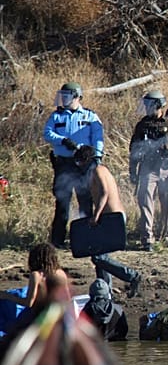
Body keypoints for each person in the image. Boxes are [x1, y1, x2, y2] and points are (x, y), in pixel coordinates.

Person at [42, 82, 104, 248]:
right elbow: (47, 133)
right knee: (62, 202)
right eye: (62, 95)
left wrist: (96, 158)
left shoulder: (90, 116)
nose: (63, 98)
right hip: (64, 164)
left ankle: (85, 239)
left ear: (76, 96)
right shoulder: (57, 116)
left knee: (85, 202)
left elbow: (98, 138)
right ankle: (57, 240)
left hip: (84, 165)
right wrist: (62, 140)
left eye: (66, 95)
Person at [76, 146, 141, 299]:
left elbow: (104, 193)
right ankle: (106, 292)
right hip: (109, 218)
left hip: (112, 218)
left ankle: (132, 276)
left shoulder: (98, 170)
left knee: (98, 257)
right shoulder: (97, 171)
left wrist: (96, 216)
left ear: (86, 160)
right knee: (99, 256)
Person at [129, 91, 168, 251]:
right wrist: (133, 171)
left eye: (149, 105)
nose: (146, 108)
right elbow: (134, 149)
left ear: (157, 105)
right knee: (145, 202)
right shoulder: (142, 125)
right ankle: (147, 238)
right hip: (148, 169)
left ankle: (166, 236)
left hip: (167, 169)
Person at [0, 243, 68, 309]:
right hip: (59, 313)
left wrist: (8, 296)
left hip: (42, 315)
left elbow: (29, 303)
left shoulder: (36, 275)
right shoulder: (61, 273)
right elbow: (67, 298)